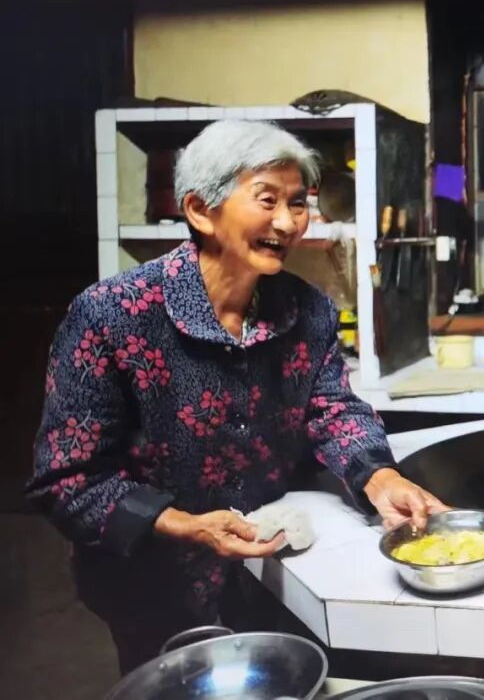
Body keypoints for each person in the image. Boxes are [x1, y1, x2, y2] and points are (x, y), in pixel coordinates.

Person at [26, 119, 448, 674]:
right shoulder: (112, 315)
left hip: (273, 569)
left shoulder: (309, 310)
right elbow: (68, 480)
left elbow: (332, 409)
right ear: (201, 211)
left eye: (298, 203)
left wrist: (379, 475)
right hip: (153, 583)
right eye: (267, 200)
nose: (287, 222)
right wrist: (186, 523)